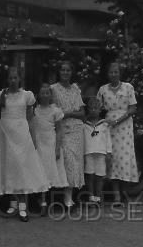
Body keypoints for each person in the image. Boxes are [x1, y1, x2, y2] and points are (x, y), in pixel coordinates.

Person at [0, 67, 50, 222]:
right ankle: (13, 202)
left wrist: (32, 138)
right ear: (7, 79)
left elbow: (30, 119)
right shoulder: (1, 95)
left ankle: (22, 205)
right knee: (10, 168)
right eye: (10, 78)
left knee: (22, 168)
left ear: (19, 79)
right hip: (5, 134)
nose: (13, 81)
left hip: (21, 136)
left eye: (15, 78)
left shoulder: (26, 95)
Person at [97, 62, 138, 204]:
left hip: (125, 127)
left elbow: (132, 109)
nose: (113, 75)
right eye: (111, 72)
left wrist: (118, 120)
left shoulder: (128, 87)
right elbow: (96, 108)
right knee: (112, 159)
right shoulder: (102, 90)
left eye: (116, 72)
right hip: (109, 128)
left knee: (125, 159)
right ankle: (116, 196)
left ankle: (126, 193)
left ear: (120, 73)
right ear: (107, 74)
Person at [50, 61, 85, 209]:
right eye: (63, 70)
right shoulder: (53, 89)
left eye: (68, 70)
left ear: (72, 72)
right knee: (66, 161)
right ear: (59, 72)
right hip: (62, 129)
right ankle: (59, 195)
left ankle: (69, 196)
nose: (65, 72)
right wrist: (70, 113)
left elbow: (83, 113)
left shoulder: (75, 89)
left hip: (77, 130)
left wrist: (66, 113)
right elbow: (52, 112)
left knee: (75, 163)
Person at [31, 84, 69, 216]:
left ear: (51, 95)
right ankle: (41, 203)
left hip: (50, 144)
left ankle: (48, 203)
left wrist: (57, 148)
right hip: (38, 144)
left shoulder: (55, 111)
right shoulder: (34, 110)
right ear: (39, 95)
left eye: (48, 93)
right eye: (43, 93)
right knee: (40, 173)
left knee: (49, 173)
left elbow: (59, 130)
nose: (45, 95)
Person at [83, 97, 112, 205]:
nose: (94, 110)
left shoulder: (104, 125)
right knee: (89, 175)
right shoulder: (84, 125)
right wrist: (83, 153)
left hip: (101, 153)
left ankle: (98, 197)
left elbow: (108, 138)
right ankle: (91, 197)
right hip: (89, 152)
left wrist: (109, 152)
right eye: (91, 108)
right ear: (88, 110)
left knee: (99, 176)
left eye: (96, 108)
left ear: (100, 110)